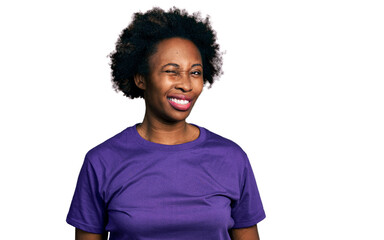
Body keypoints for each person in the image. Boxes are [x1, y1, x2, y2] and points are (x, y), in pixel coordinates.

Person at [66, 7, 265, 240]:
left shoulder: (231, 158)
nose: (186, 85)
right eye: (172, 71)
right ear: (141, 78)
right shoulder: (101, 162)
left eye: (195, 72)